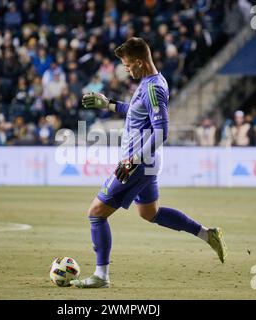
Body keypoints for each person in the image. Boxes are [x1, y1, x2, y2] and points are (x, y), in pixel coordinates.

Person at [70, 37, 227, 289]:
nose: (126, 69)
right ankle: (207, 234)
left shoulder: (154, 88)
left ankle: (101, 275)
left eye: (128, 65)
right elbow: (134, 111)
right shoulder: (149, 82)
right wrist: (108, 104)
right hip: (145, 162)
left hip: (139, 163)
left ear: (141, 62)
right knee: (149, 213)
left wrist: (133, 160)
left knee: (96, 213)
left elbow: (162, 132)